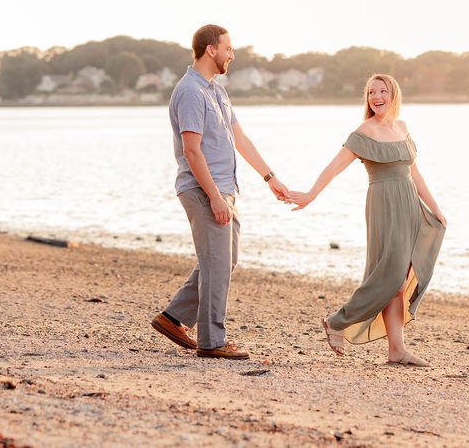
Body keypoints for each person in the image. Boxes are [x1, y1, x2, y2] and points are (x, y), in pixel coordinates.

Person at [151, 24, 290, 359]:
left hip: (225, 189)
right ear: (211, 49)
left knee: (224, 261)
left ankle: (172, 318)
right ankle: (212, 341)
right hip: (203, 189)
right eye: (228, 48)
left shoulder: (216, 91)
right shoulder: (190, 92)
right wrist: (213, 196)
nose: (232, 55)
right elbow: (192, 151)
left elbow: (240, 139)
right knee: (215, 263)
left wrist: (270, 177)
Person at [289, 74, 446, 367]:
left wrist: (435, 208)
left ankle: (397, 350)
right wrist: (310, 195)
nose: (376, 96)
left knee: (398, 283)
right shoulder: (364, 131)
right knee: (389, 276)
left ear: (393, 94)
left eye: (382, 90)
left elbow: (414, 173)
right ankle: (338, 321)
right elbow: (333, 168)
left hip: (410, 206)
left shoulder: (402, 127)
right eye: (371, 92)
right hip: (384, 205)